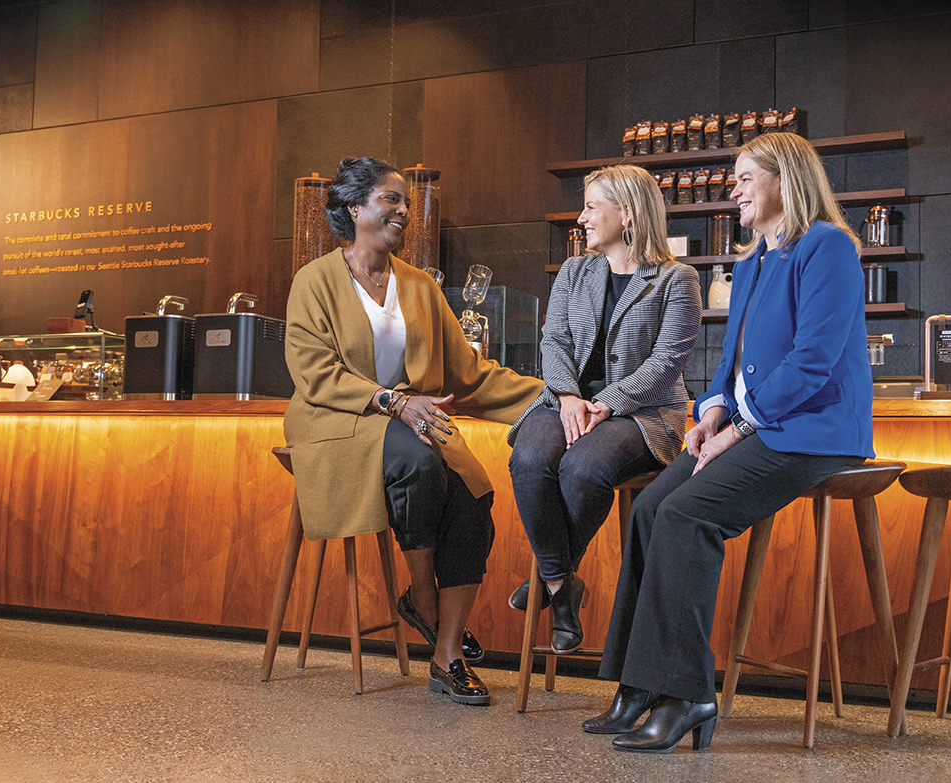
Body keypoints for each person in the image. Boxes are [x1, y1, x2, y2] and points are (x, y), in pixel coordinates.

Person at [588, 132, 874, 753]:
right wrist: (713, 411)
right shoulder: (750, 263)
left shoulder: (826, 247)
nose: (733, 189)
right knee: (650, 509)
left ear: (785, 181)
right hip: (756, 425)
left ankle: (686, 693)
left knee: (687, 515)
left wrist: (742, 427)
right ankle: (639, 684)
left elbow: (814, 360)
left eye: (745, 178)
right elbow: (730, 364)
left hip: (814, 431)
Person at [284, 157, 544, 706]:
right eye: (390, 198)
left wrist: (553, 399)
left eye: (406, 201)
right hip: (339, 422)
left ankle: (447, 654)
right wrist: (395, 402)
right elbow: (315, 372)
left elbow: (469, 375)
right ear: (354, 207)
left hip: (412, 421)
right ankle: (424, 598)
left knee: (474, 494)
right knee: (420, 462)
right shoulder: (315, 280)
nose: (404, 209)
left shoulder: (420, 286)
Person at [506, 165, 701, 654]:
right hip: (567, 399)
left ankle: (550, 578)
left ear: (628, 213)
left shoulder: (677, 279)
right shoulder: (574, 272)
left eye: (592, 206)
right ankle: (563, 586)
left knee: (583, 467)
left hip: (642, 412)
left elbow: (667, 362)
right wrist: (569, 396)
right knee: (528, 459)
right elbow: (554, 341)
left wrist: (606, 404)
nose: (582, 217)